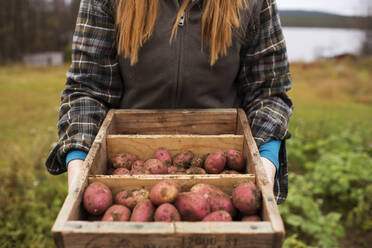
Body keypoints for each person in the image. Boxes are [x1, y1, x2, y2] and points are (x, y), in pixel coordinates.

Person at [46, 0, 292, 204]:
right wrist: (78, 164)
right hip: (131, 166)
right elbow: (87, 88)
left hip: (222, 166)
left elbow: (268, 93)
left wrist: (265, 166)